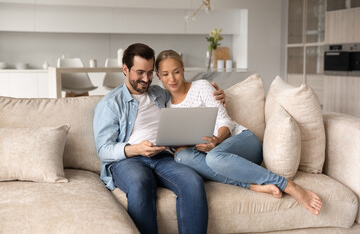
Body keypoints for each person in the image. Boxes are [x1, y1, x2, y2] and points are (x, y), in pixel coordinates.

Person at [154, 49, 323, 216]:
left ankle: (288, 185)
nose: (172, 79)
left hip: (242, 141)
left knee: (214, 158)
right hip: (215, 159)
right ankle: (252, 185)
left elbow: (224, 121)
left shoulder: (201, 87)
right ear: (158, 75)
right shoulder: (167, 105)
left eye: (176, 72)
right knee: (182, 157)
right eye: (166, 74)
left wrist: (216, 140)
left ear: (183, 69)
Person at [93, 43, 225, 234]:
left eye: (149, 72)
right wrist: (137, 149)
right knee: (140, 184)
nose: (146, 79)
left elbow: (187, 95)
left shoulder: (159, 94)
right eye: (140, 72)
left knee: (192, 181)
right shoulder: (110, 104)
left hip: (164, 157)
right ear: (125, 69)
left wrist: (221, 96)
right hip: (130, 160)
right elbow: (103, 150)